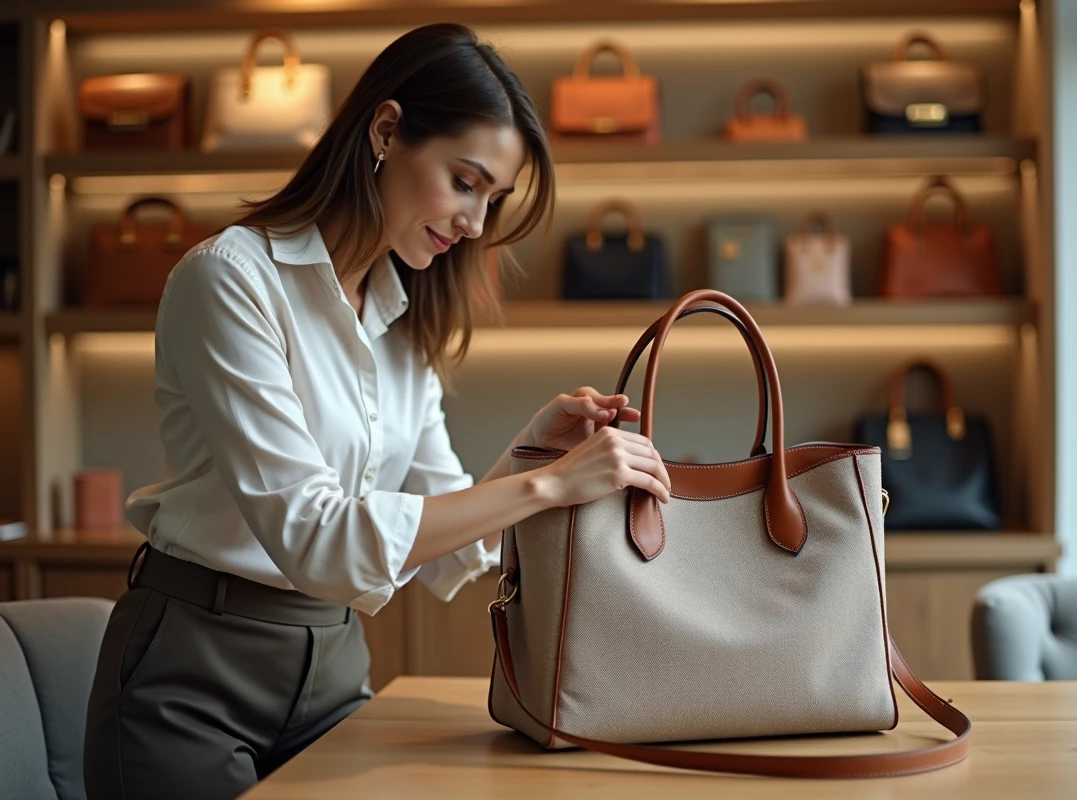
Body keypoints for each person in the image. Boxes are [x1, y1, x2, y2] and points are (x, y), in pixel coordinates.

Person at [83, 23, 672, 800]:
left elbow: (442, 541)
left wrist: (532, 453)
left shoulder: (401, 319)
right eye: (465, 182)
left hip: (333, 666)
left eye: (493, 199)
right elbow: (317, 537)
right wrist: (549, 486)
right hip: (192, 676)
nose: (476, 224)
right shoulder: (229, 280)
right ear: (387, 132)